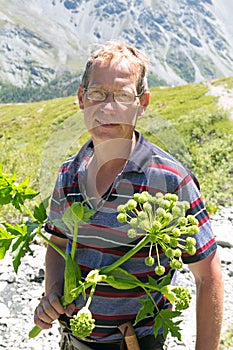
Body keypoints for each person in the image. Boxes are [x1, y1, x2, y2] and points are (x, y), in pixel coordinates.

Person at [34, 41, 224, 350]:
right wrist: (53, 294)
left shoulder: (170, 181)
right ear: (82, 99)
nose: (107, 108)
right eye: (97, 94)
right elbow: (57, 243)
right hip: (71, 342)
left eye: (122, 96)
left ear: (142, 103)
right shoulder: (68, 174)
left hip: (135, 343)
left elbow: (209, 276)